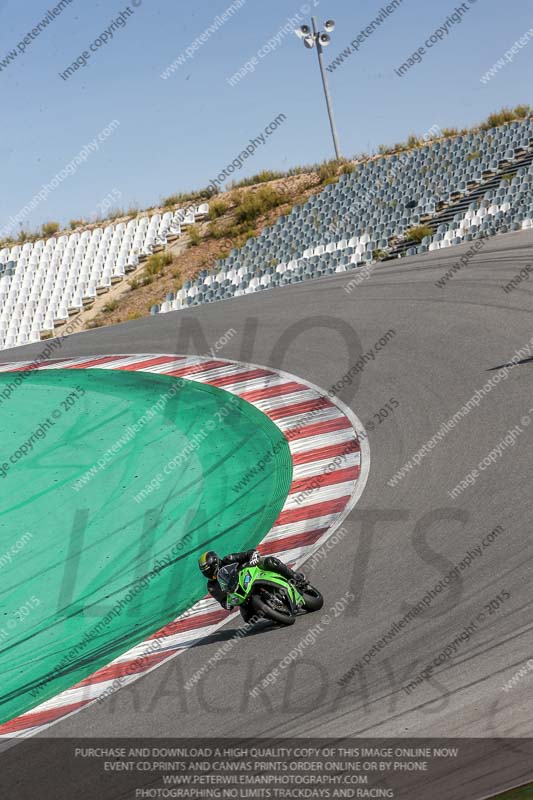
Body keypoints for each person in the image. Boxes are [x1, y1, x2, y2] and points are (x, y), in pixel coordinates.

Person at [198, 549, 306, 623]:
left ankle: (296, 578)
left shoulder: (228, 559)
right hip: (242, 594)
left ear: (216, 563)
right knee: (248, 618)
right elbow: (222, 600)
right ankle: (273, 614)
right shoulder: (211, 586)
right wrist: (227, 604)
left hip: (253, 573)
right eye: (205, 572)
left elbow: (247, 554)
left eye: (209, 569)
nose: (208, 573)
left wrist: (252, 556)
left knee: (270, 561)